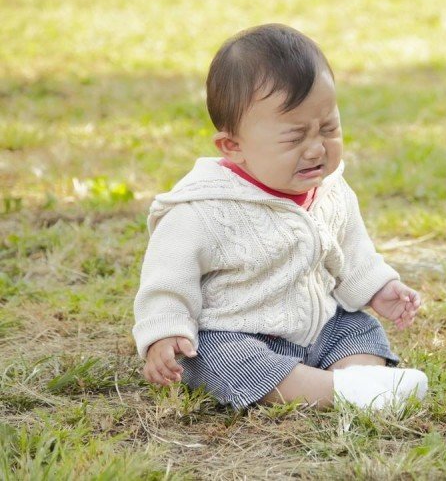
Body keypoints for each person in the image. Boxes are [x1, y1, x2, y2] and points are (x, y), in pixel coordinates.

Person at [132, 23, 427, 410]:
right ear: (233, 146)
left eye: (328, 128)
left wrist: (378, 288)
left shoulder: (331, 190)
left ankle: (354, 382)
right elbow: (166, 279)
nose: (316, 148)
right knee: (220, 363)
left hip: (317, 327)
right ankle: (342, 391)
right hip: (237, 333)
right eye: (293, 138)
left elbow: (352, 250)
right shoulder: (202, 209)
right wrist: (164, 332)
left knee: (358, 327)